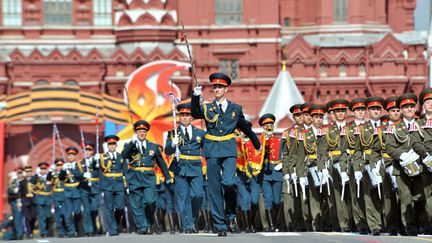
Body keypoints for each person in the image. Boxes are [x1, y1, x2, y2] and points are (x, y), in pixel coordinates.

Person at [191, 72, 261, 236]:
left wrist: (256, 143)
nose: (217, 89)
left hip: (229, 149)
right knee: (214, 188)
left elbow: (245, 127)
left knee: (229, 182)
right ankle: (220, 225)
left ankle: (230, 215)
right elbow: (195, 113)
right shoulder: (207, 107)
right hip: (212, 149)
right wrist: (195, 96)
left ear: (226, 89)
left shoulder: (235, 109)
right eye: (214, 87)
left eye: (220, 87)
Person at [121, 120, 172, 235]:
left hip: (148, 178)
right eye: (139, 131)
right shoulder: (130, 145)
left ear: (146, 132)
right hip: (134, 177)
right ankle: (142, 227)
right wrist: (131, 143)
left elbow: (161, 162)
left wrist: (167, 175)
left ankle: (149, 222)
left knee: (150, 201)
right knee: (136, 204)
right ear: (136, 133)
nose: (142, 133)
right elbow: (123, 156)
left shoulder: (153, 146)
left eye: (144, 131)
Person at [385, 93, 424, 236]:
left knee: (421, 198)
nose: (409, 109)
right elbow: (389, 147)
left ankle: (419, 224)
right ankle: (410, 227)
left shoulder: (421, 124)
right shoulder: (393, 127)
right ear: (400, 110)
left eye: (412, 106)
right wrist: (401, 155)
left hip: (421, 167)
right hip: (401, 168)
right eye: (406, 107)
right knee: (406, 198)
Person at [165, 103, 205, 233]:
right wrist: (172, 143)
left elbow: (207, 149)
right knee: (183, 198)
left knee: (197, 195)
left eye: (187, 115)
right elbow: (167, 151)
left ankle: (193, 218)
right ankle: (188, 225)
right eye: (182, 115)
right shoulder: (172, 133)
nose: (185, 117)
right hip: (180, 168)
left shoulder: (200, 133)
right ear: (179, 117)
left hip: (196, 167)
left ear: (192, 117)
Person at [99, 135, 126, 236]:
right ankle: (112, 230)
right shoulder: (102, 157)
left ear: (116, 145)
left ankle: (114, 224)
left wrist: (126, 184)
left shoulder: (120, 157)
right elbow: (100, 173)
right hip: (107, 185)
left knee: (120, 207)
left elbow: (126, 171)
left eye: (113, 144)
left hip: (119, 184)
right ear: (107, 145)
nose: (112, 146)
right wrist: (101, 187)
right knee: (109, 208)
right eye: (110, 144)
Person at [30, 162, 53, 238]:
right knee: (41, 216)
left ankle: (48, 230)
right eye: (42, 169)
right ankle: (43, 232)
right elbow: (31, 184)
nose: (43, 170)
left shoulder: (50, 176)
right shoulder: (37, 176)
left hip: (48, 198)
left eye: (44, 168)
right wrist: (36, 175)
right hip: (40, 197)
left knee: (48, 215)